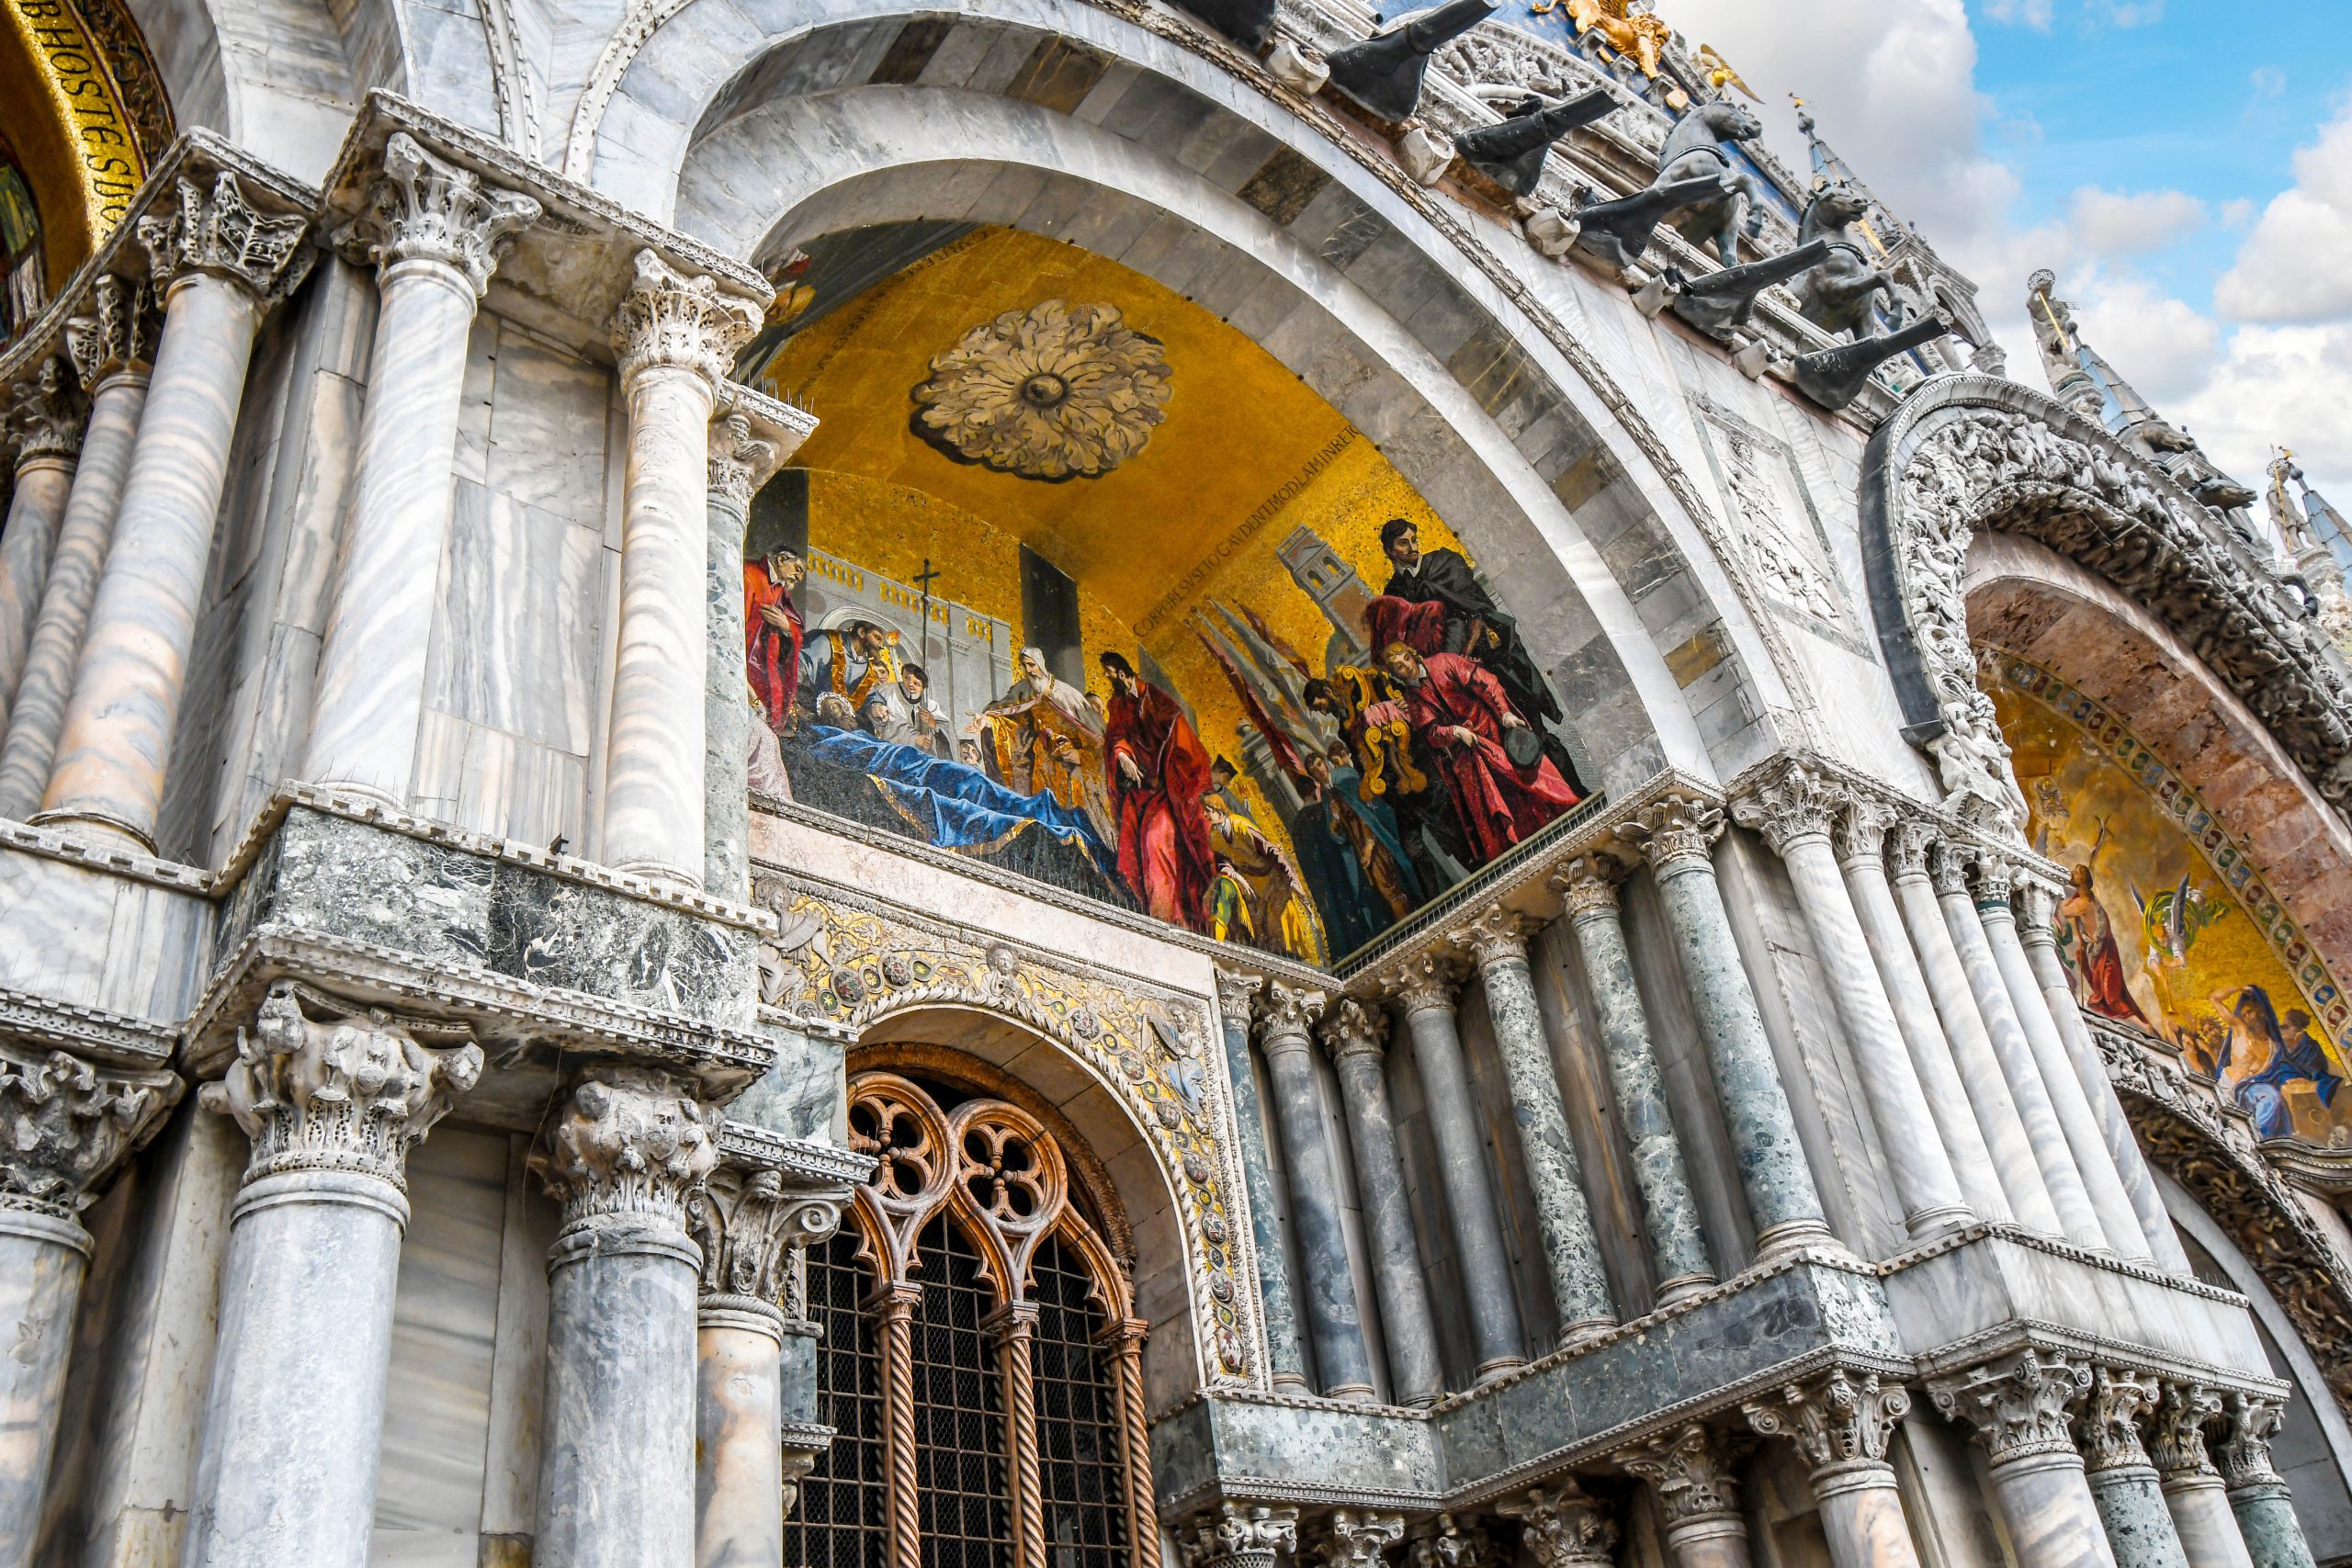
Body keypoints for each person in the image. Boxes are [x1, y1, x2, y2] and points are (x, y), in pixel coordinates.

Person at [1377, 517, 1581, 788]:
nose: (1413, 547)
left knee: (1529, 732)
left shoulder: (1444, 563)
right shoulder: (1393, 594)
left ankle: (1574, 790)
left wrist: (1465, 654)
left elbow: (1478, 611)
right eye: (1404, 543)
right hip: (1450, 686)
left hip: (1489, 662)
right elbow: (1403, 647)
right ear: (1390, 551)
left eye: (1414, 539)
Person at [1381, 640, 1579, 867]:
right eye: (1398, 667)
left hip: (1492, 732)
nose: (1405, 666)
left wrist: (1504, 714)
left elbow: (1487, 683)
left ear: (1412, 654)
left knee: (1528, 782)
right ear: (1394, 673)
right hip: (1467, 755)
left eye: (1405, 659)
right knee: (1493, 806)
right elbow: (1432, 732)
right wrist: (1455, 731)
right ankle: (1526, 853)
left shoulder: (1444, 662)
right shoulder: (1413, 698)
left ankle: (1564, 823)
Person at [1100, 651, 1216, 931]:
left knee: (1157, 841)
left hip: (1169, 787)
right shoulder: (1117, 704)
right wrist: (1123, 756)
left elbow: (1177, 730)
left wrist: (1171, 770)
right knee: (1139, 848)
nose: (1106, 676)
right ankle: (1160, 916)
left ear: (1122, 671)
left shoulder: (1154, 697)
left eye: (1109, 671)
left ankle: (1170, 920)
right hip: (1141, 792)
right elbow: (1116, 737)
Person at [2213, 986, 2341, 1141]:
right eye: (2244, 1014)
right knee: (2270, 1096)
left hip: (2253, 1087)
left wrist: (2294, 1078)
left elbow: (2281, 1070)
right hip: (2233, 1086)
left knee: (2272, 1097)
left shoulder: (2274, 1046)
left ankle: (2260, 1140)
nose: (2248, 1017)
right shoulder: (2240, 1030)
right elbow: (2214, 998)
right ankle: (2257, 1140)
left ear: (2262, 1012)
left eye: (2251, 1012)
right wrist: (2239, 988)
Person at [1203, 793, 1318, 961]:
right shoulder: (1215, 835)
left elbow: (1270, 851)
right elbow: (1222, 862)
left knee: (1272, 921)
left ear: (1219, 810)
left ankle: (1283, 957)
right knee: (1254, 922)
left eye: (1208, 810)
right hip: (1248, 879)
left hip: (1271, 879)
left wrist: (1292, 879)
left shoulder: (1241, 825)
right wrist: (1237, 876)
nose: (1205, 815)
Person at [982, 647, 1101, 804]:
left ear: (1041, 664)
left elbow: (1094, 733)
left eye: (1032, 665)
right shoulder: (1024, 690)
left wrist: (1081, 755)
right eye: (1024, 666)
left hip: (1067, 760)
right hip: (1042, 759)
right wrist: (988, 721)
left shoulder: (1066, 694)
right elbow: (1008, 715)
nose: (1029, 670)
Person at [2053, 863, 2147, 1024]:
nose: (2071, 874)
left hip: (2104, 957)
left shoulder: (2084, 904)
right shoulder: (2083, 899)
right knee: (2108, 998)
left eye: (2075, 873)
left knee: (2113, 999)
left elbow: (2061, 911)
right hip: (2097, 955)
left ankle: (2144, 1027)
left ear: (2082, 880)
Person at [743, 547, 808, 736]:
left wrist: (786, 626)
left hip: (765, 663)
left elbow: (793, 626)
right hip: (747, 658)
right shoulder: (750, 573)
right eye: (797, 569)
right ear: (781, 559)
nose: (798, 577)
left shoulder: (779, 589)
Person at [800, 618, 898, 717]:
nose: (881, 646)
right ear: (862, 633)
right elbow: (798, 668)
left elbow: (869, 696)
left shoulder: (866, 667)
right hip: (809, 713)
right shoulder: (826, 641)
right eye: (877, 638)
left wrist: (876, 706)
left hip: (841, 722)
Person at [862, 661, 947, 750]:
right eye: (907, 678)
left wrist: (934, 724)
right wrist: (915, 738)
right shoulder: (889, 692)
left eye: (916, 683)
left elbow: (948, 731)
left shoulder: (930, 705)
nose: (910, 684)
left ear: (923, 686)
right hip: (890, 750)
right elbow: (893, 723)